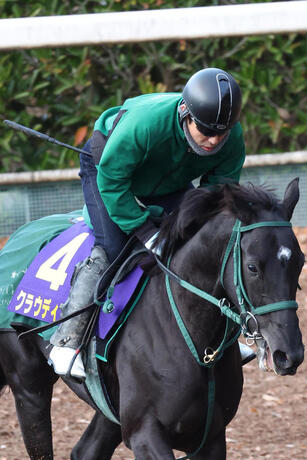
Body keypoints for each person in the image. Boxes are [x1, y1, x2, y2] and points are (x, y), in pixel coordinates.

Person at [49, 67, 247, 380]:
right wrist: (146, 231)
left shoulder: (230, 137)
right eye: (206, 130)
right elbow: (113, 182)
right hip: (108, 168)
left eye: (221, 133)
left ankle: (229, 332)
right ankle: (67, 339)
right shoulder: (146, 124)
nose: (213, 141)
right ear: (185, 113)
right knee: (112, 247)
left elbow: (217, 192)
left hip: (167, 180)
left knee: (204, 242)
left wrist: (197, 224)